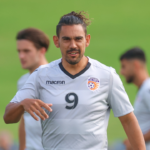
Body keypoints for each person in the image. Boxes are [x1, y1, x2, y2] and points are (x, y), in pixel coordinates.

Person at [3, 11, 146, 150]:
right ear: (56, 41)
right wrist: (22, 105)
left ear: (87, 40)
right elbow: (8, 117)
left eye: (78, 39)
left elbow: (128, 121)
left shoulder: (106, 75)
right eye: (66, 39)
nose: (73, 45)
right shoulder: (41, 75)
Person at [16, 28, 49, 150]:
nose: (21, 56)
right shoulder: (22, 81)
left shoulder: (57, 80)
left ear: (42, 51)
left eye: (26, 51)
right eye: (19, 51)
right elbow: (24, 119)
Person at [119, 47, 150, 150]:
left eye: (124, 66)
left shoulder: (147, 89)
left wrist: (134, 141)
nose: (121, 71)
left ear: (135, 65)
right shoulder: (143, 89)